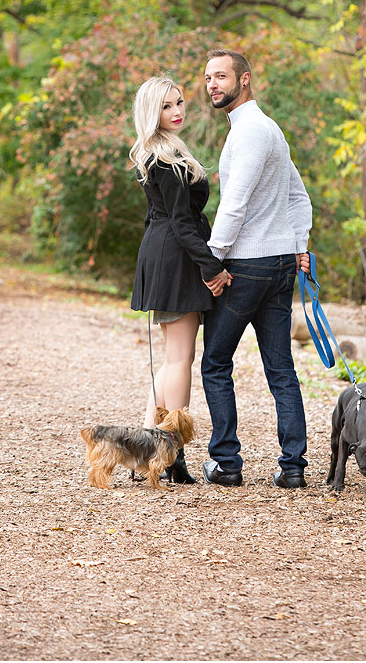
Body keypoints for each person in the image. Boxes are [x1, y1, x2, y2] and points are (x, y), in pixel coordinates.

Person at [200, 49, 313, 489]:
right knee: (280, 367)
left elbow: (234, 203)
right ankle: (293, 467)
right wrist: (299, 245)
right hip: (281, 262)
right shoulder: (271, 130)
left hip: (247, 264)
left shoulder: (249, 133)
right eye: (208, 77)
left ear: (244, 80)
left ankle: (227, 463)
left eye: (221, 76)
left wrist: (211, 260)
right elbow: (299, 198)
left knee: (214, 363)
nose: (212, 84)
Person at [129, 76, 232, 483]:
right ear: (153, 112)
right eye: (168, 106)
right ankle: (172, 452)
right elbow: (182, 222)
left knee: (174, 358)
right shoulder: (166, 157)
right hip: (176, 256)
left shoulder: (160, 153)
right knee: (180, 359)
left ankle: (146, 448)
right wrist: (211, 267)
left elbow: (165, 218)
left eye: (180, 103)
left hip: (165, 253)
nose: (178, 110)